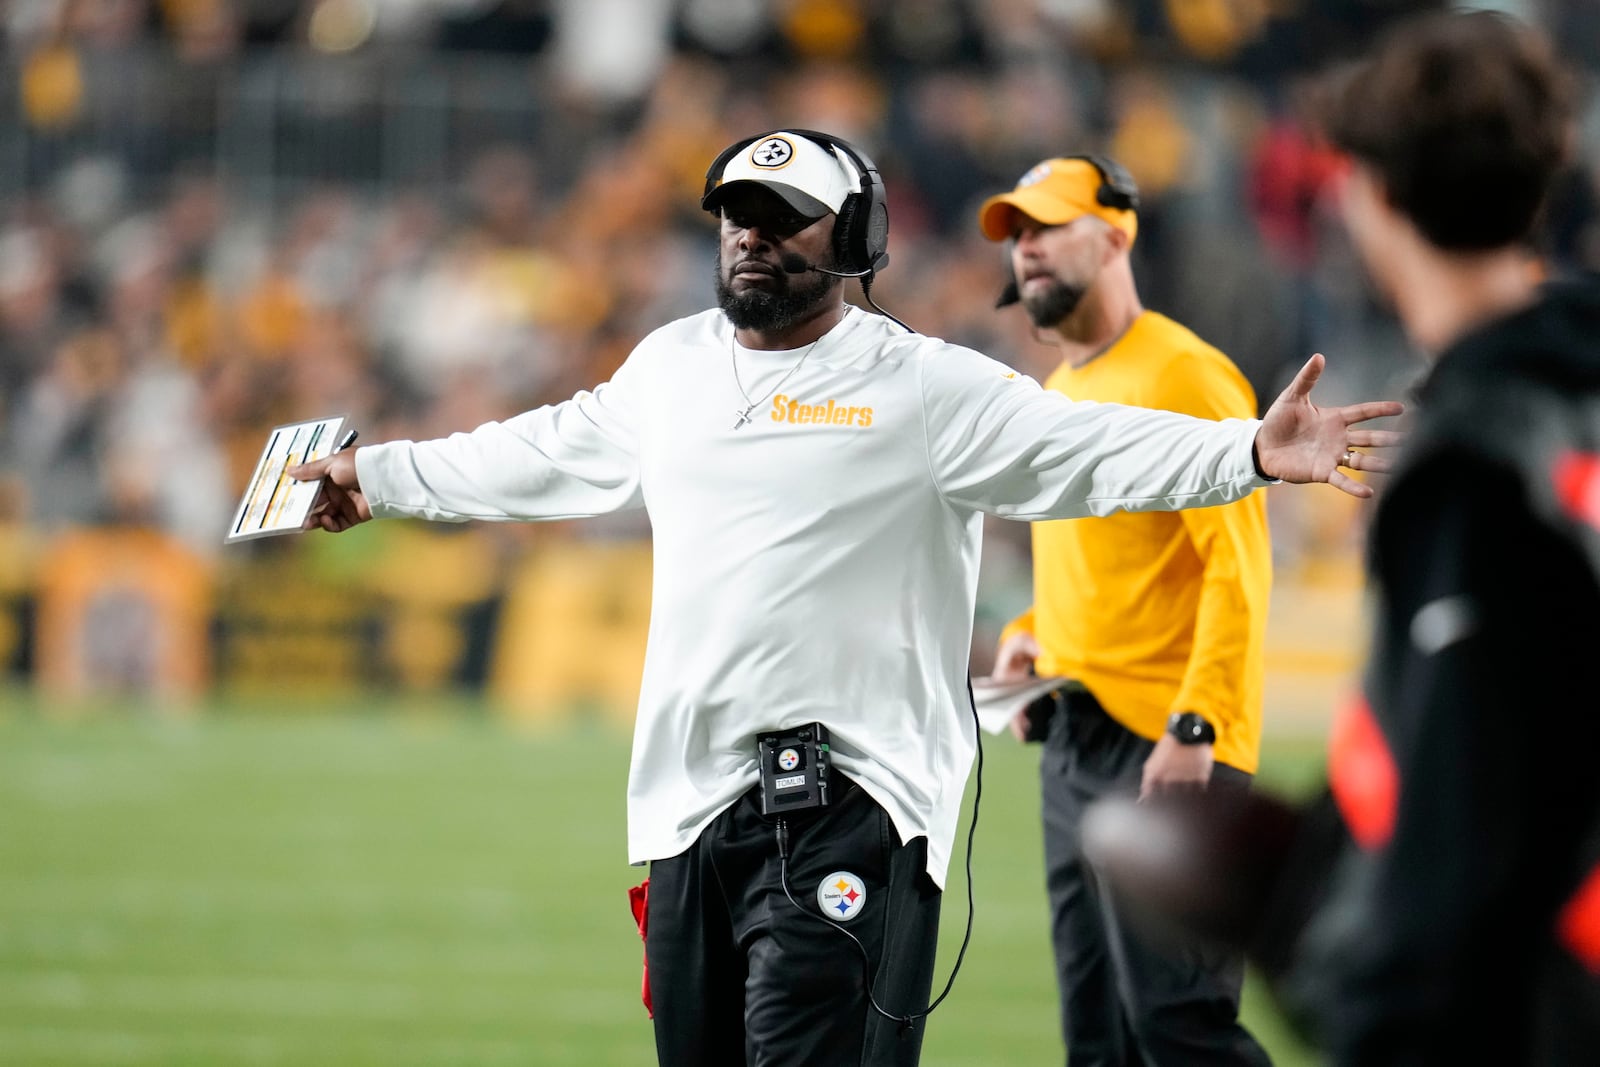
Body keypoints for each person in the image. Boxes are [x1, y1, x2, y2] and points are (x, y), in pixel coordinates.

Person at [286, 129, 1401, 1067]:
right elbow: (528, 455)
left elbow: (1093, 450)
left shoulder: (923, 385)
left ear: (857, 239)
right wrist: (374, 476)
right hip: (686, 808)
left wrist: (1247, 451)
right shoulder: (669, 367)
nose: (750, 232)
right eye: (734, 211)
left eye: (781, 213)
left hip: (852, 803)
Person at [1079, 12, 1600, 1066]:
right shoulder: (1570, 386)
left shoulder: (1472, 464)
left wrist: (1350, 984)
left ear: (1364, 192)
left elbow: (1458, 820)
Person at [976, 155, 1273, 1066]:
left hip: (1167, 748)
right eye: (1016, 234)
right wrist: (1032, 640)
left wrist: (1197, 727)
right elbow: (1107, 569)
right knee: (1098, 1035)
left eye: (1047, 226)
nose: (1025, 249)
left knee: (1181, 1029)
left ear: (1115, 235)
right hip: (1077, 741)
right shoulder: (1062, 394)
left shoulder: (1184, 374)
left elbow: (1237, 570)